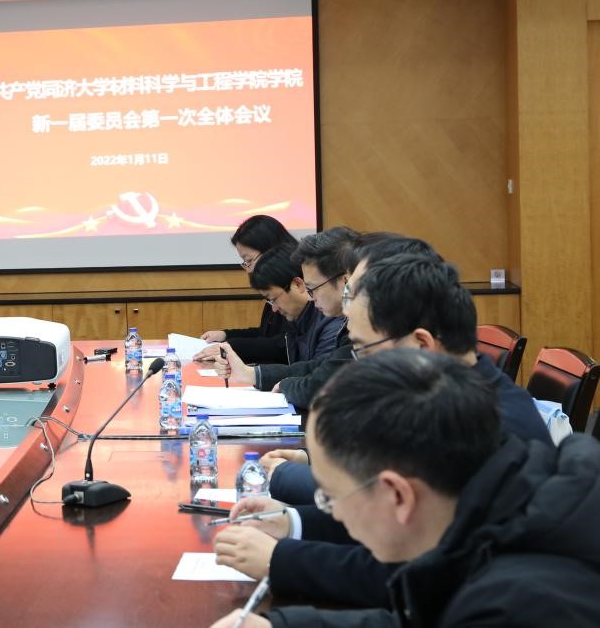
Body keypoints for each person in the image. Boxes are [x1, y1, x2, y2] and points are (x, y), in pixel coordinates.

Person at [212, 253, 552, 609]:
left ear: (421, 346)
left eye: (361, 349)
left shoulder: (488, 430)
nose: (354, 365)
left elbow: (417, 579)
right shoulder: (438, 401)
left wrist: (282, 560)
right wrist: (291, 522)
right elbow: (382, 515)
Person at [209, 349, 600, 627]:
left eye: (330, 496)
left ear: (397, 495)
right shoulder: (501, 498)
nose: (331, 511)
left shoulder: (514, 605)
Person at [201, 226, 358, 400]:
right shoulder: (325, 320)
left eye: (312, 288)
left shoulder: (342, 324)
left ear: (347, 281)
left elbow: (322, 384)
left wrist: (279, 383)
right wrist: (251, 374)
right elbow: (318, 368)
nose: (311, 297)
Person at [200, 215, 299, 364]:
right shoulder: (275, 285)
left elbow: (285, 344)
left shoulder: (294, 286)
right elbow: (266, 334)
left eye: (249, 260)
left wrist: (230, 347)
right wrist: (226, 335)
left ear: (271, 250)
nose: (249, 269)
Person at [245, 245, 345, 364]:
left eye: (274, 299)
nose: (274, 309)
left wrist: (254, 373)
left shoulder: (332, 319)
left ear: (298, 284)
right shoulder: (298, 322)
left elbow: (318, 372)